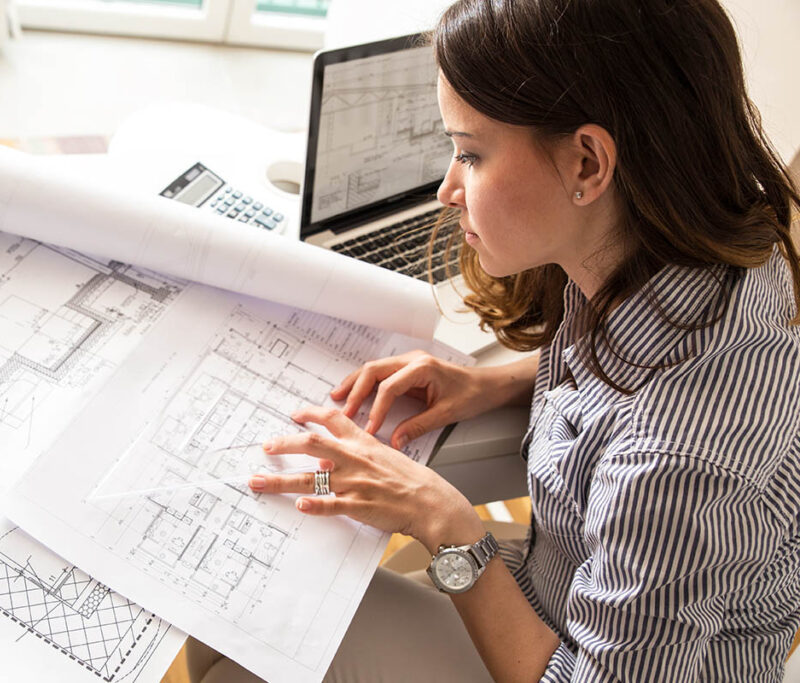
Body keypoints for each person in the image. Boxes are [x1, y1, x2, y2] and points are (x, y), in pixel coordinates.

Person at [188, 0, 800, 680]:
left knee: (235, 654)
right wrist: (494, 381)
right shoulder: (709, 237)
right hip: (559, 580)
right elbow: (631, 370)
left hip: (576, 654)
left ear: (588, 164)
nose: (449, 188)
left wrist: (445, 524)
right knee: (230, 621)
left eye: (471, 153)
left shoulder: (677, 457)